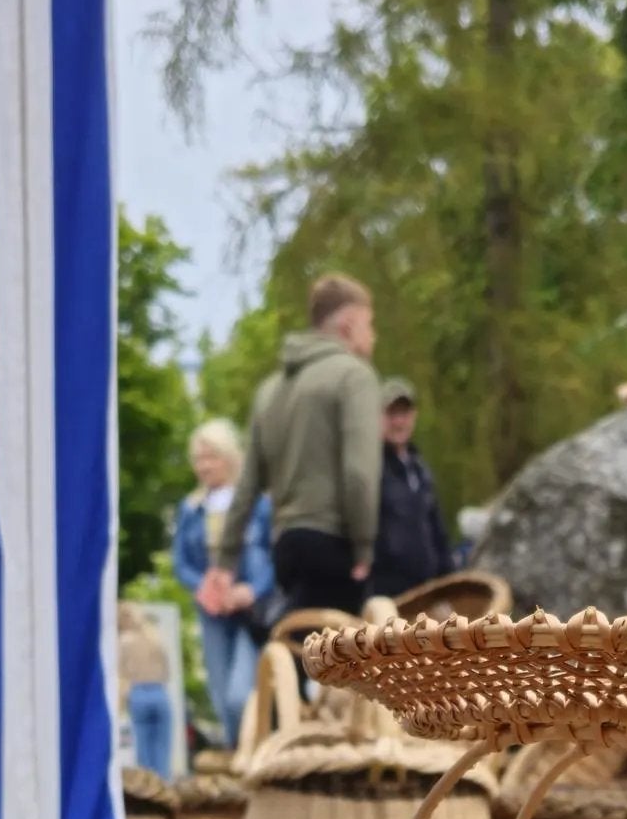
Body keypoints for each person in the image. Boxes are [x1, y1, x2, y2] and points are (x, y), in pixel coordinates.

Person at [220, 271, 381, 619]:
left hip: (286, 547)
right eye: (370, 325)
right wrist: (364, 547)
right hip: (334, 542)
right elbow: (360, 474)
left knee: (303, 652)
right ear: (349, 325)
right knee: (345, 662)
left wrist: (225, 560)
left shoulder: (270, 390)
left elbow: (247, 486)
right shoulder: (354, 376)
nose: (374, 337)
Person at [171, 419, 272, 747]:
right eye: (198, 458)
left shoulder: (257, 505)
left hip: (251, 614)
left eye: (210, 456)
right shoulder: (191, 509)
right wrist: (201, 586)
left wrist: (251, 590)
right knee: (219, 698)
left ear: (229, 457)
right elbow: (181, 562)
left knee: (240, 695)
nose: (203, 465)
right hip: (212, 615)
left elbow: (276, 558)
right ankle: (237, 762)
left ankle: (255, 753)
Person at [365, 378, 457, 601]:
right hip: (388, 593)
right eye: (391, 414)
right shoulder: (371, 468)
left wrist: (451, 581)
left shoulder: (420, 469)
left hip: (427, 590)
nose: (399, 421)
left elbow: (437, 531)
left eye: (404, 413)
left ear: (413, 416)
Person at [118, 600, 173, 778]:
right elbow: (166, 671)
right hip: (160, 693)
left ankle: (149, 790)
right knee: (162, 748)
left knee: (143, 748)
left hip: (138, 693)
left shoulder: (123, 642)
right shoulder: (154, 638)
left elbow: (120, 673)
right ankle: (164, 785)